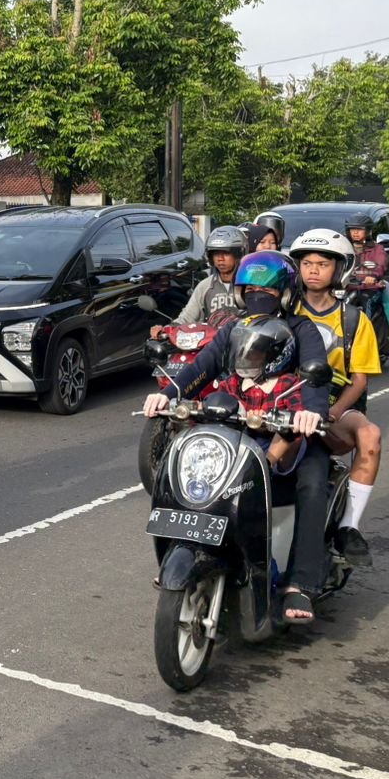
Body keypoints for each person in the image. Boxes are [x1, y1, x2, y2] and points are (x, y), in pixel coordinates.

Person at [144, 252, 331, 621]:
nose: (259, 295)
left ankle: (300, 584)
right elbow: (201, 368)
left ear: (286, 293)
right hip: (238, 426)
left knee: (312, 480)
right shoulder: (233, 327)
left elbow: (315, 381)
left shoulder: (301, 329)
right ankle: (182, 553)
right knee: (193, 474)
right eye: (251, 289)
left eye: (268, 290)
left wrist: (311, 413)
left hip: (289, 429)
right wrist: (169, 395)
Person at [289, 229, 383, 568]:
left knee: (370, 434)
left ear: (339, 269)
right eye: (306, 263)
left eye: (323, 264)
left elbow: (359, 381)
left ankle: (349, 527)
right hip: (285, 398)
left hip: (334, 403)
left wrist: (331, 412)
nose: (313, 270)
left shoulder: (354, 319)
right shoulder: (284, 310)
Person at [151, 224, 246, 338]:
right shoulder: (205, 286)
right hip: (214, 343)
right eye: (216, 254)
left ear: (239, 255)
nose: (220, 259)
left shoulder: (250, 285)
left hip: (244, 342)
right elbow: (187, 317)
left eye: (226, 253)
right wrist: (167, 329)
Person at [344, 213, 389, 340]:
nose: (355, 232)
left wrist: (373, 276)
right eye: (352, 229)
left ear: (368, 231)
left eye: (359, 229)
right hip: (346, 287)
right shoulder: (343, 247)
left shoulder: (377, 249)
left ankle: (365, 333)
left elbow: (380, 266)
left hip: (369, 288)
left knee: (366, 301)